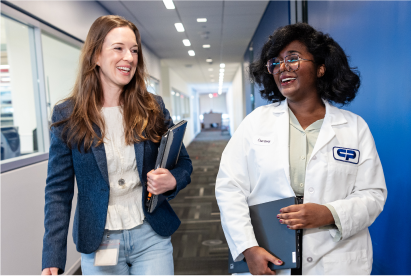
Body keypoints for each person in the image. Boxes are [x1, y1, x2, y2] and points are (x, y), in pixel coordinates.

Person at [215, 23, 387, 276]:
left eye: (293, 59)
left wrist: (328, 213)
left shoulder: (354, 127)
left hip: (335, 257)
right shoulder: (255, 122)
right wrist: (248, 247)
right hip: (270, 254)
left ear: (320, 67)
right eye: (275, 62)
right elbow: (230, 188)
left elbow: (373, 194)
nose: (282, 68)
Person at [41, 15, 192, 276]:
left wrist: (172, 180)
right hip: (100, 240)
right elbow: (58, 191)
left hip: (150, 236)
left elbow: (184, 164)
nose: (130, 57)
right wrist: (52, 256)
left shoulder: (152, 107)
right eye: (119, 48)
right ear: (96, 55)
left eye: (134, 50)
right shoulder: (68, 114)